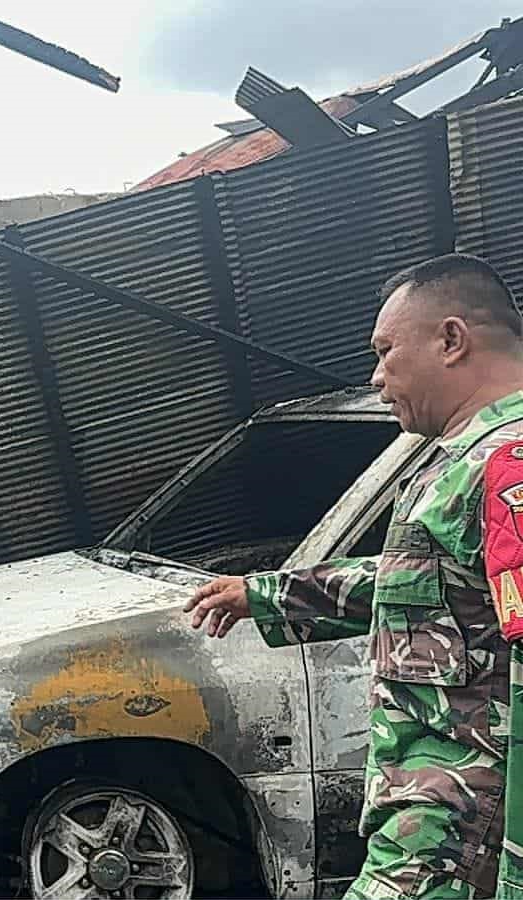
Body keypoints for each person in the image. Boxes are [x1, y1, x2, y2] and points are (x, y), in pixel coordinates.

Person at [184, 253, 523, 899]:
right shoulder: (466, 461)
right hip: (438, 815)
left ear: (451, 340)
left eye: (387, 350)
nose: (377, 375)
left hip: (466, 827)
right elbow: (428, 585)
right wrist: (266, 594)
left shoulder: (508, 463)